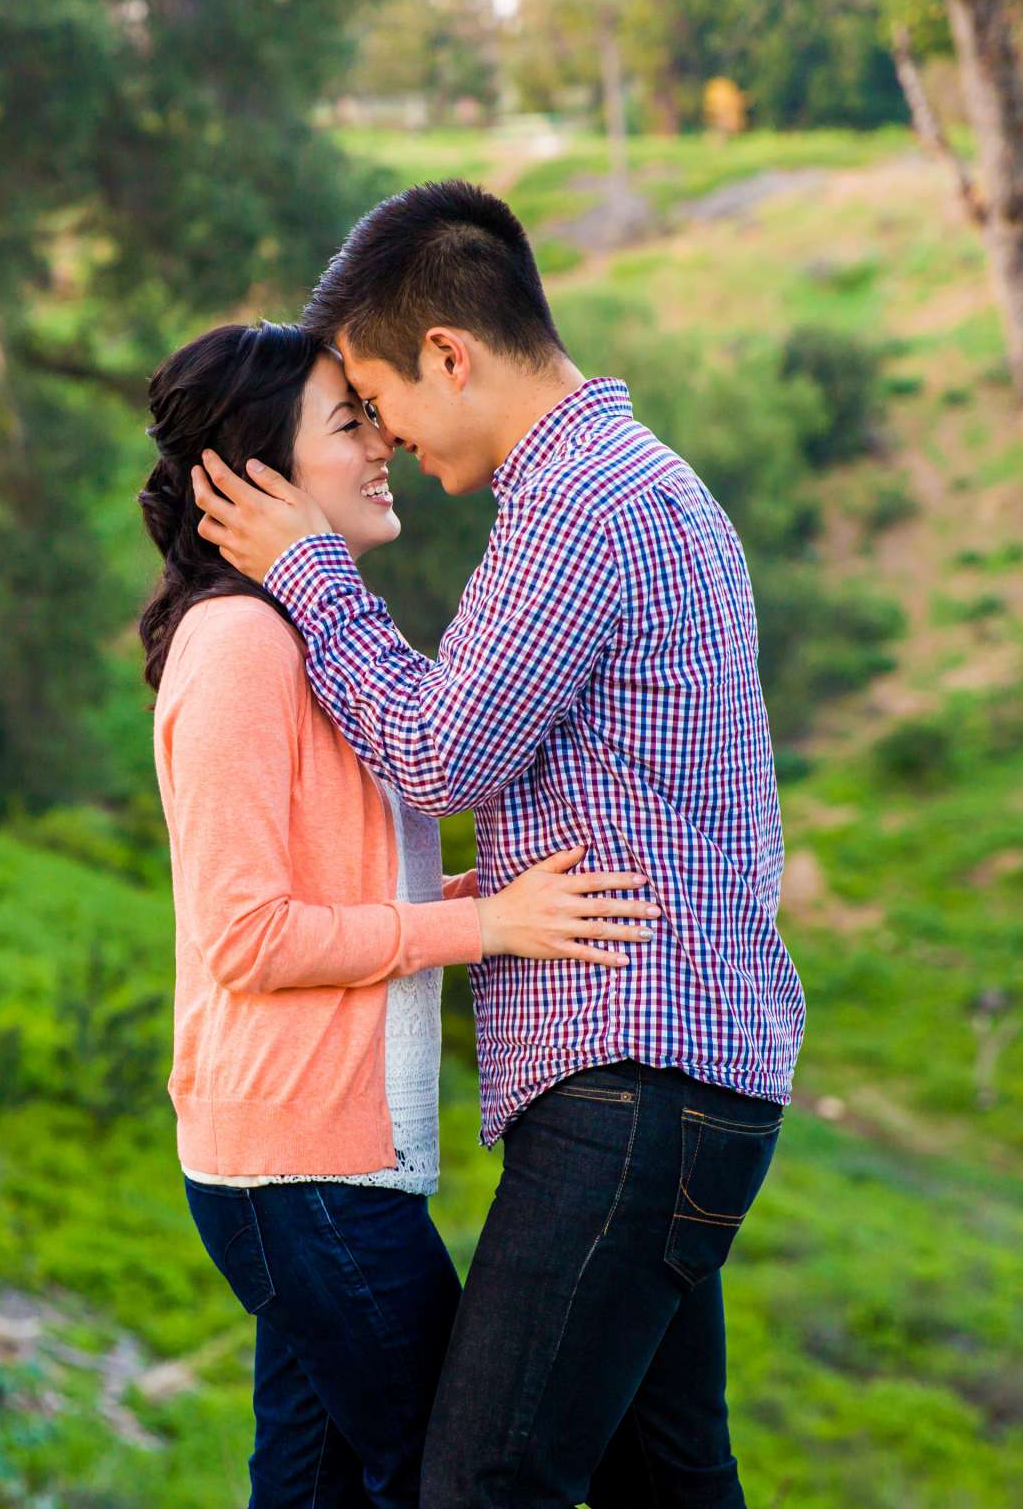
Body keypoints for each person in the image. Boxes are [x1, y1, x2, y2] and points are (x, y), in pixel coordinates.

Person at [189, 182, 806, 1509]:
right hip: (672, 1081)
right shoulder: (626, 485)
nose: (387, 440)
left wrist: (309, 574)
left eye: (377, 400)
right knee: (668, 1477)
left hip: (633, 1082)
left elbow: (440, 756)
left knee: (480, 1481)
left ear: (449, 357)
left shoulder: (580, 505)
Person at [140, 319, 661, 1509]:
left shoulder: (303, 639)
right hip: (296, 1175)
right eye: (347, 422)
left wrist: (510, 895)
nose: (383, 443)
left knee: (317, 1489)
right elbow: (248, 935)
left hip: (330, 1174)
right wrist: (482, 927)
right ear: (261, 472)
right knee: (447, 1473)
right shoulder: (237, 646)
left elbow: (345, 890)